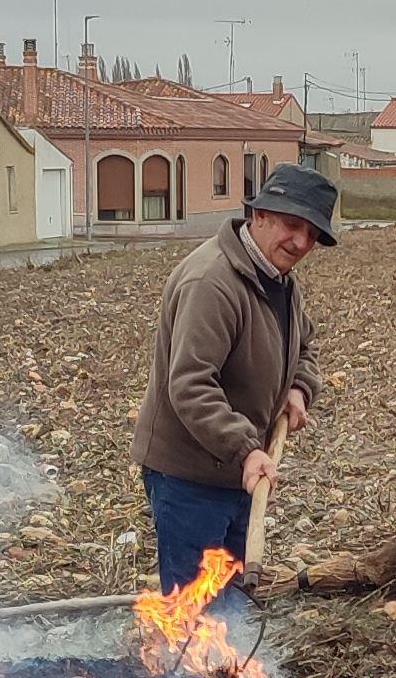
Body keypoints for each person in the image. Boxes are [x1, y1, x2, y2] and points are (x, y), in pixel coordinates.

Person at [133, 162, 333, 603]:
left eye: (312, 233)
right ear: (259, 215)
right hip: (190, 477)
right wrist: (245, 448)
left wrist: (299, 387)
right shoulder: (213, 282)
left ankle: (233, 670)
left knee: (232, 600)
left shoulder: (279, 280)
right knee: (195, 613)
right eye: (291, 224)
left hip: (242, 470)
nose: (300, 242)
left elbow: (305, 346)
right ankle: (187, 673)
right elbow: (189, 384)